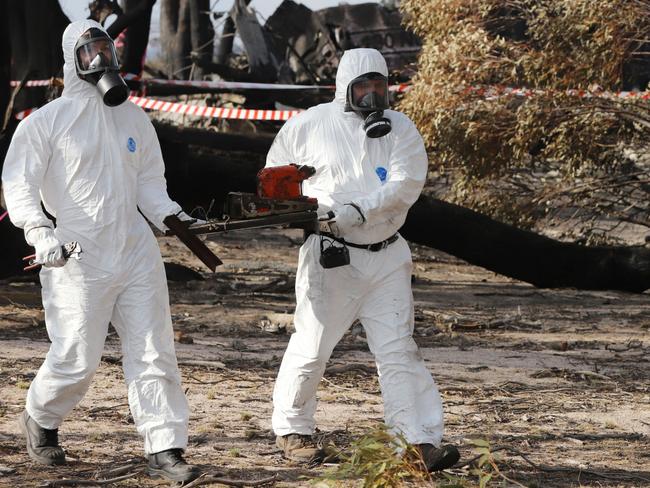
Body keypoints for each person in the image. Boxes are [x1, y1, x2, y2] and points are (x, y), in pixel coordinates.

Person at [1, 20, 200, 483]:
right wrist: (39, 231)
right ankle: (41, 416)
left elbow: (150, 183)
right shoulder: (47, 122)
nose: (100, 60)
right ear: (73, 58)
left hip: (134, 249)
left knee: (154, 350)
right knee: (77, 357)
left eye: (105, 50)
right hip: (77, 253)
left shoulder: (133, 118)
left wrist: (174, 216)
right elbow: (19, 185)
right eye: (90, 52)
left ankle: (164, 446)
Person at [265, 48, 460, 472]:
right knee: (314, 344)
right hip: (332, 258)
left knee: (398, 351)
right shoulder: (309, 125)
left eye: (378, 86)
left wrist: (361, 209)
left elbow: (407, 183)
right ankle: (293, 429)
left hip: (387, 256)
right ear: (344, 88)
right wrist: (310, 202)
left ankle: (416, 441)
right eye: (363, 86)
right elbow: (276, 178)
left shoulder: (401, 129)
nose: (372, 94)